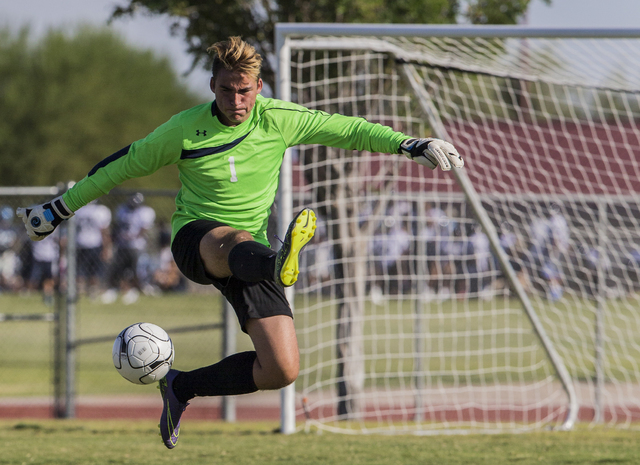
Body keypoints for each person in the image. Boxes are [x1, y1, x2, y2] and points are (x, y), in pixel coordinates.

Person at [15, 36, 464, 449]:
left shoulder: (278, 119)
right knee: (236, 237)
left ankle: (180, 386)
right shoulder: (184, 130)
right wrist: (56, 211)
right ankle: (276, 263)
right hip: (199, 241)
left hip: (256, 257)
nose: (236, 100)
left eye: (244, 89)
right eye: (227, 89)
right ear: (212, 85)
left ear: (259, 86)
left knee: (281, 369)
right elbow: (119, 166)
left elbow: (346, 128)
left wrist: (408, 143)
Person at [101, 193, 155, 305]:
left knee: (135, 270)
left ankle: (133, 290)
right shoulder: (122, 209)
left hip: (136, 245)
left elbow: (144, 228)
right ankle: (114, 290)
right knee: (117, 268)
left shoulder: (145, 212)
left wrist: (133, 236)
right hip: (122, 245)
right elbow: (117, 226)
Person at [75, 199, 112, 298]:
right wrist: (106, 248)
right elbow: (104, 232)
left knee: (81, 271)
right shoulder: (101, 211)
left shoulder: (79, 211)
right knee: (95, 271)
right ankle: (92, 292)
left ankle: (80, 292)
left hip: (80, 243)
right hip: (95, 244)